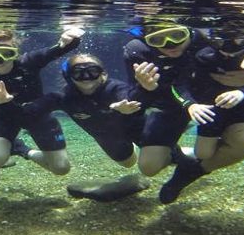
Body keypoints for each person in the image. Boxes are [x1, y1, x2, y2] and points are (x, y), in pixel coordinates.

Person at [160, 23, 244, 203]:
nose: (227, 49)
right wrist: (190, 105)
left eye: (235, 41)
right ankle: (189, 171)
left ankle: (189, 168)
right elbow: (181, 83)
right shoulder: (204, 56)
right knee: (206, 152)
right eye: (220, 41)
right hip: (217, 107)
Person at [0, 27, 84, 186]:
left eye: (6, 53)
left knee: (61, 168)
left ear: (16, 53)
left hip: (37, 115)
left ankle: (22, 149)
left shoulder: (28, 62)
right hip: (3, 119)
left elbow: (60, 49)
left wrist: (69, 39)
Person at [18, 54, 162, 172]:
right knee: (128, 163)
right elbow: (30, 111)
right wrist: (6, 103)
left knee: (168, 157)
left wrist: (141, 92)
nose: (86, 76)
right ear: (68, 76)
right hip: (109, 137)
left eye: (92, 71)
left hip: (137, 127)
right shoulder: (64, 98)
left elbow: (128, 95)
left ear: (103, 73)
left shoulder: (114, 88)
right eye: (78, 72)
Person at [122, 20, 210, 190]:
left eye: (177, 36)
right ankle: (178, 157)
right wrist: (145, 89)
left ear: (189, 32)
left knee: (209, 151)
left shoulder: (201, 40)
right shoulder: (138, 51)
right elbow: (135, 100)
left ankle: (199, 166)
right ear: (147, 39)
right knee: (149, 167)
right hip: (168, 108)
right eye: (158, 39)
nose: (170, 44)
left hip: (207, 102)